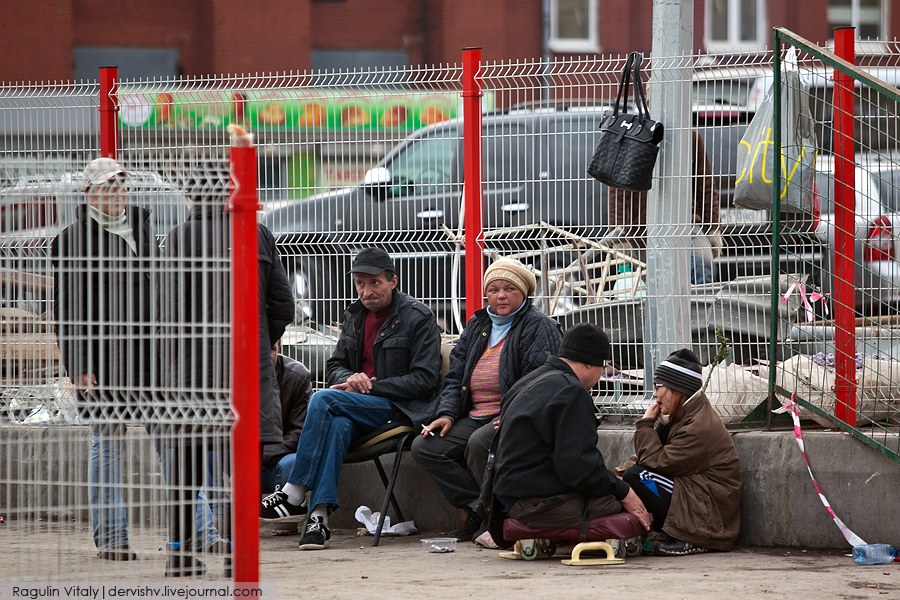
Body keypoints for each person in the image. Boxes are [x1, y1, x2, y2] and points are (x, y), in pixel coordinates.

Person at [159, 162, 294, 576]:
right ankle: (237, 552)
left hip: (191, 373)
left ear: (191, 196)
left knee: (186, 464)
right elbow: (283, 304)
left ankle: (179, 554)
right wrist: (261, 337)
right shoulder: (256, 234)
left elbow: (165, 311)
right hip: (245, 370)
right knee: (241, 464)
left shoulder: (178, 238)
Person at [259, 247, 442, 551]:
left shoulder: (418, 317)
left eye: (375, 283)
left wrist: (371, 386)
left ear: (393, 281)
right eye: (360, 283)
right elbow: (334, 366)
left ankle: (294, 491)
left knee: (323, 400)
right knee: (337, 425)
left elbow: (425, 379)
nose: (367, 291)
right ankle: (318, 518)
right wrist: (351, 377)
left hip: (400, 409)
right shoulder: (355, 315)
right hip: (356, 406)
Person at [51, 157, 159, 561]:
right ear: (88, 194)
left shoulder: (143, 227)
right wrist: (79, 365)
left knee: (174, 440)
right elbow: (67, 310)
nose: (118, 193)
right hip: (105, 360)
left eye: (121, 185)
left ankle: (199, 532)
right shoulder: (72, 241)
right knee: (108, 441)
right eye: (108, 187)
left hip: (152, 357)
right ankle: (112, 538)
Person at [411, 257, 562, 542]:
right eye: (493, 290)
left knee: (480, 443)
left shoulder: (539, 326)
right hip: (475, 413)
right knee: (425, 447)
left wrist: (513, 414)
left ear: (523, 293)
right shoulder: (477, 324)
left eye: (509, 289)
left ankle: (501, 518)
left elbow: (540, 381)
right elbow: (455, 376)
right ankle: (478, 509)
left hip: (514, 414)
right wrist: (447, 414)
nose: (500, 295)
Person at [487, 323, 652, 542]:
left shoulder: (529, 381)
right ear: (589, 363)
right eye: (603, 368)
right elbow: (578, 468)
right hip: (533, 504)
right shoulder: (571, 392)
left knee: (610, 487)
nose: (601, 375)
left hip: (507, 498)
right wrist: (623, 491)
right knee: (619, 501)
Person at [618, 349, 741, 556]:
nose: (654, 395)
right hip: (695, 498)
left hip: (709, 517)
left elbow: (655, 462)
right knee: (628, 479)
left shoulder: (699, 426)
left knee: (639, 477)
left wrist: (646, 425)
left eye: (658, 387)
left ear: (676, 389)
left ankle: (691, 537)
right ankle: (669, 532)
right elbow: (646, 459)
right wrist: (616, 480)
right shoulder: (682, 414)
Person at [607, 130, 721, 284]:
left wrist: (713, 228)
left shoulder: (689, 137)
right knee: (649, 287)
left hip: (685, 227)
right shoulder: (634, 135)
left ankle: (702, 300)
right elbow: (617, 191)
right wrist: (619, 238)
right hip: (642, 233)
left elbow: (705, 186)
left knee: (703, 263)